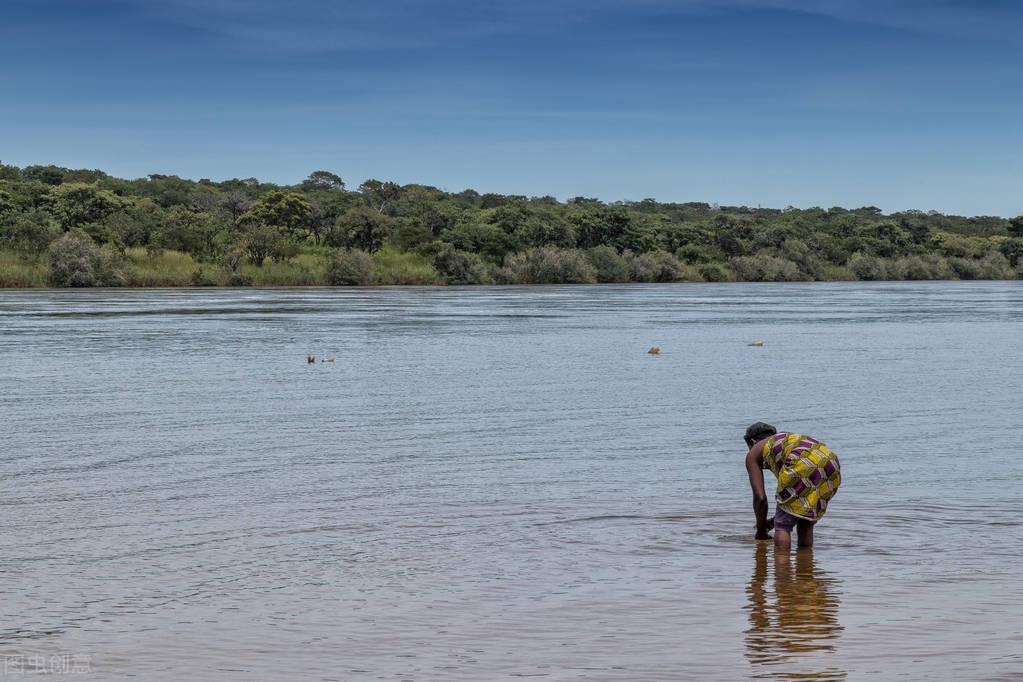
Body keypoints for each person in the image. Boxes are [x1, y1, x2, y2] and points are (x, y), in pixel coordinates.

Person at [743, 422, 841, 551]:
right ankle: (805, 564)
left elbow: (760, 498)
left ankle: (782, 566)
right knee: (805, 519)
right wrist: (769, 523)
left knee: (783, 525)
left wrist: (761, 532)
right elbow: (794, 505)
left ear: (753, 441)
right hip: (830, 463)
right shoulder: (786, 440)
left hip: (800, 462)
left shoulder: (754, 451)